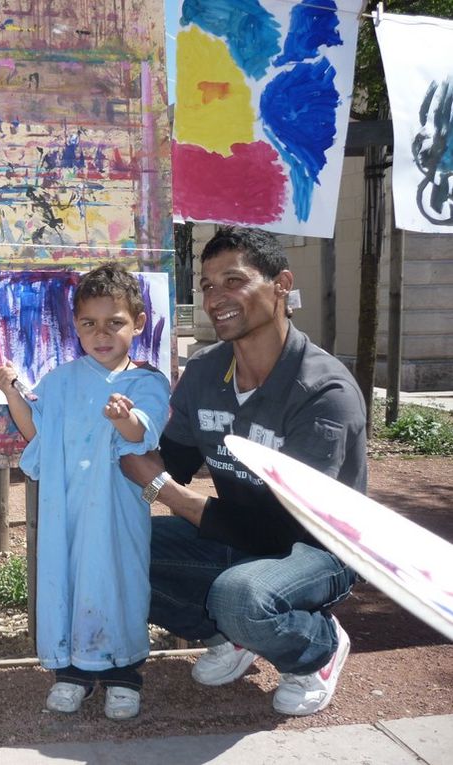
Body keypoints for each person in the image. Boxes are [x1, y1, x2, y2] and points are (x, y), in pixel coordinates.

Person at [121, 227, 366, 717]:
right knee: (116, 546)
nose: (217, 298)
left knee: (241, 595)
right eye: (208, 286)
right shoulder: (207, 372)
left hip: (318, 548)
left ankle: (317, 648)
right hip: (238, 533)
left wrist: (162, 488)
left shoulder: (323, 391)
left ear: (281, 284)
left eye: (234, 281)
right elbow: (177, 460)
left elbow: (286, 526)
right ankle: (231, 636)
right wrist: (118, 432)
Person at [0, 263, 170, 720]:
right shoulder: (61, 380)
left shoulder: (147, 383)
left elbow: (141, 435)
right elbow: (38, 432)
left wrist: (122, 418)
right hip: (64, 508)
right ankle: (71, 675)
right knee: (66, 581)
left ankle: (124, 675)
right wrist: (13, 392)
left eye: (115, 323)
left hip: (116, 511)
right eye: (90, 324)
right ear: (76, 326)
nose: (102, 334)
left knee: (119, 581)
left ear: (138, 323)